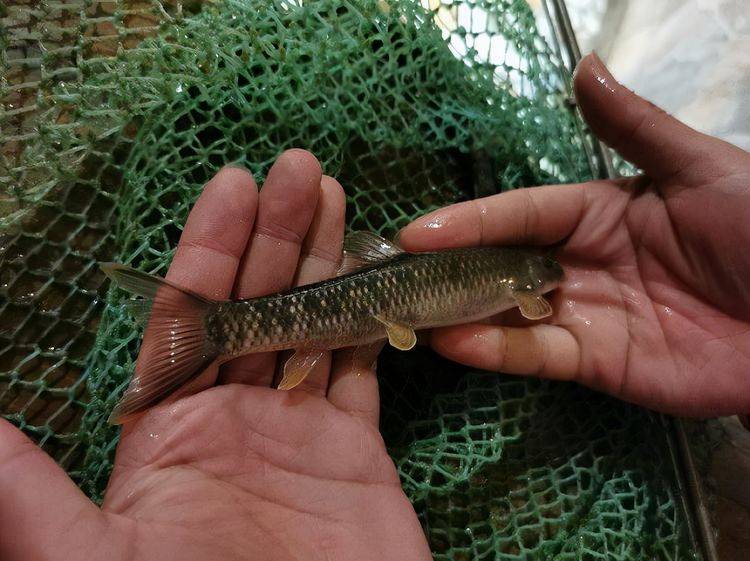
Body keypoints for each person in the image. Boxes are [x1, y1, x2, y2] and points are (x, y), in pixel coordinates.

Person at [1, 53, 748, 560]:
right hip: (356, 304)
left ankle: (217, 331)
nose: (544, 283)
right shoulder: (522, 282)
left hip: (359, 305)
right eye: (540, 277)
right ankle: (214, 331)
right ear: (528, 277)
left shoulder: (524, 281)